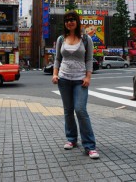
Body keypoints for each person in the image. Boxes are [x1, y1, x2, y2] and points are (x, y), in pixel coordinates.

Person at [52, 10, 99, 159]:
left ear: (77, 21)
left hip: (80, 80)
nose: (69, 22)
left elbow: (89, 60)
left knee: (80, 110)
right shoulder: (61, 39)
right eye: (67, 20)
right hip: (64, 79)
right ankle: (71, 139)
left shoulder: (86, 39)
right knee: (68, 110)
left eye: (72, 19)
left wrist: (88, 77)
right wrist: (55, 74)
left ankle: (90, 146)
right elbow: (57, 59)